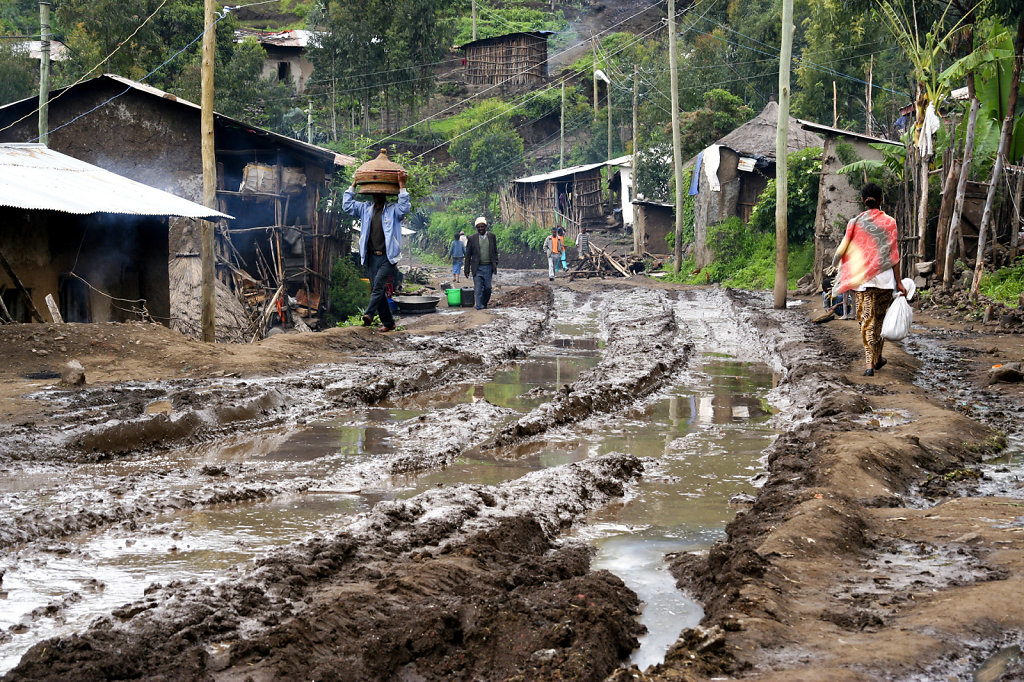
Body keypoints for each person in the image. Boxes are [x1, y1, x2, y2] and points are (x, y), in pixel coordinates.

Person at [830, 183, 907, 376]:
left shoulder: (854, 223)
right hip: (885, 280)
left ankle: (869, 365)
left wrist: (842, 269)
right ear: (881, 199)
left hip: (863, 280)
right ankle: (877, 357)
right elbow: (894, 255)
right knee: (879, 321)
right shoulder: (890, 222)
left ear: (863, 201)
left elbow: (845, 250)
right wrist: (898, 282)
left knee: (865, 322)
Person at [343, 170, 410, 332]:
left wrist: (402, 185)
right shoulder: (365, 209)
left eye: (381, 193)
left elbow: (405, 208)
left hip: (388, 257)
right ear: (372, 194)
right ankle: (389, 323)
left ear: (386, 194)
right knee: (376, 290)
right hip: (372, 257)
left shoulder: (393, 210)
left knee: (378, 287)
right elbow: (347, 206)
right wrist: (354, 184)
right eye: (375, 193)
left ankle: (369, 315)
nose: (378, 196)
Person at [465, 216, 498, 309]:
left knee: (488, 288)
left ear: (485, 227)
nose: (480, 229)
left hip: (488, 267)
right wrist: (466, 269)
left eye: (482, 226)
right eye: (478, 227)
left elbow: (495, 251)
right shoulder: (472, 238)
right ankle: (479, 306)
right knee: (478, 288)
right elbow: (468, 255)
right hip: (477, 267)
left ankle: (484, 303)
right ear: (476, 228)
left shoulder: (492, 237)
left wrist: (495, 262)